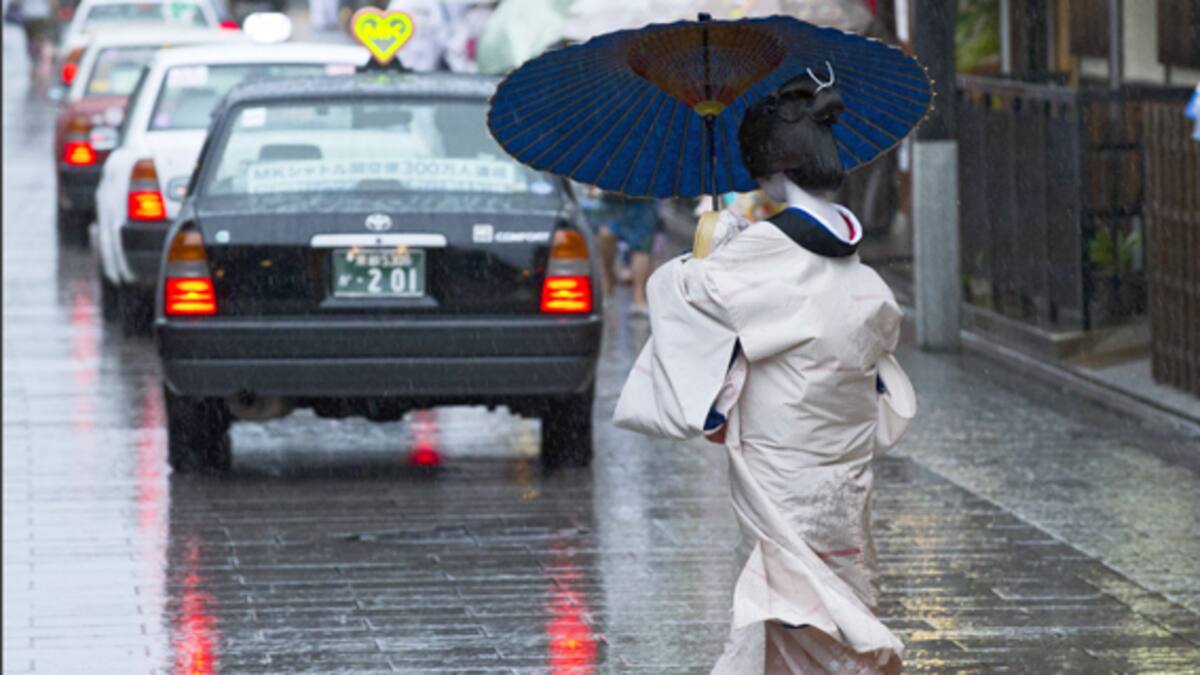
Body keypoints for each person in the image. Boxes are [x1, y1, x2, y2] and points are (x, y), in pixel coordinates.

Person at [613, 70, 916, 673]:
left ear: (772, 173)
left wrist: (710, 245)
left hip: (783, 449)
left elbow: (682, 295)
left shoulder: (762, 250)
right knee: (829, 572)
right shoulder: (850, 250)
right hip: (842, 446)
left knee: (790, 587)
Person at [596, 195, 658, 317]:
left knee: (642, 246)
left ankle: (638, 297)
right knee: (605, 236)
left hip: (642, 200)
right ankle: (608, 284)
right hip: (612, 199)